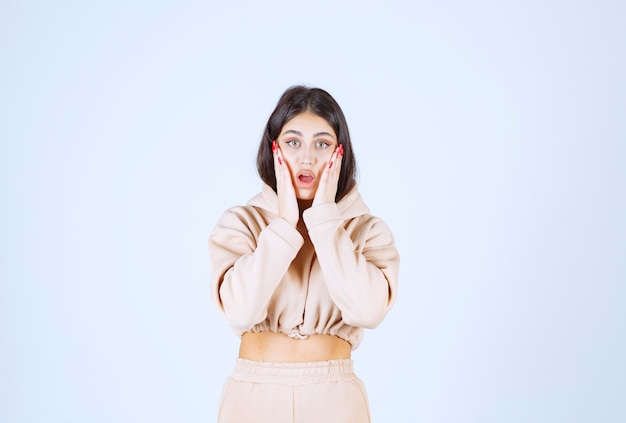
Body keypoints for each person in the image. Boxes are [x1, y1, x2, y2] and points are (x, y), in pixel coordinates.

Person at [208, 85, 400, 422]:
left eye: (322, 144)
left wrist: (326, 223)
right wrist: (283, 223)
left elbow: (369, 312)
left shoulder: (368, 230)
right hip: (253, 397)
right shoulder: (241, 223)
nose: (307, 158)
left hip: (334, 399)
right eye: (293, 142)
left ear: (340, 153)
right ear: (274, 149)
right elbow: (240, 311)